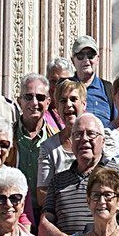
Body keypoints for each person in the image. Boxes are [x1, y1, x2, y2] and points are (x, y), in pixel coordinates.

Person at [37, 78, 87, 206]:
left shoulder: (99, 139)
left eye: (73, 99)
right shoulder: (48, 148)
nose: (68, 104)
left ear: (84, 104)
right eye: (63, 101)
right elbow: (42, 193)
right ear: (58, 108)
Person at [13, 74, 54, 193]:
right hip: (12, 207)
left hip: (45, 209)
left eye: (40, 97)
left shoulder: (56, 139)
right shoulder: (7, 136)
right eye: (28, 97)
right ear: (19, 101)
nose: (34, 102)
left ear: (48, 102)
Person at [71, 34, 114, 125]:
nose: (86, 60)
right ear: (73, 60)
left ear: (97, 59)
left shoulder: (108, 89)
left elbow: (116, 122)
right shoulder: (65, 88)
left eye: (90, 55)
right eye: (80, 56)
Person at [44, 56, 74, 132]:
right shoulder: (41, 113)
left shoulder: (79, 111)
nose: (57, 86)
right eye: (53, 81)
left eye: (62, 81)